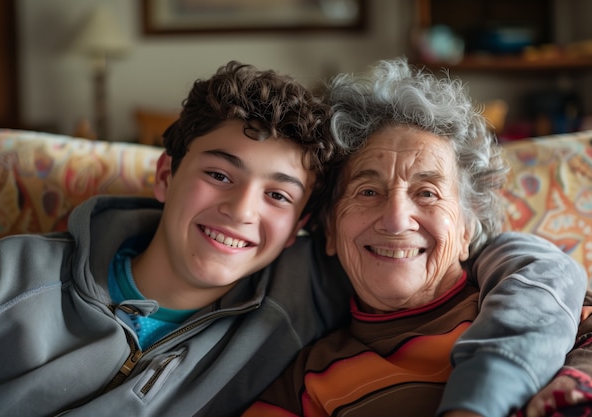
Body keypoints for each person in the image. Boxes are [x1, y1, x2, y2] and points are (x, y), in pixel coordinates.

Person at [0, 60, 585, 417]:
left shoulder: (522, 289)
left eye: (279, 195)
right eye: (218, 174)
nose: (240, 210)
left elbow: (540, 271)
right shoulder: (8, 277)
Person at [241, 57, 588, 417]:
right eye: (368, 192)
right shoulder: (305, 381)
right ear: (329, 228)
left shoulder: (542, 304)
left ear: (467, 227)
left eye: (427, 193)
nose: (395, 221)